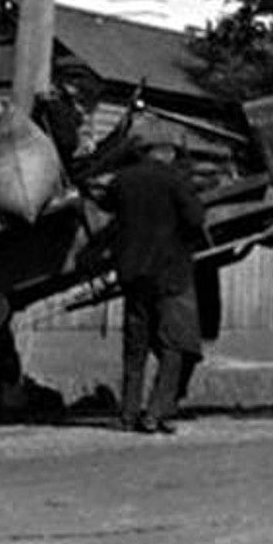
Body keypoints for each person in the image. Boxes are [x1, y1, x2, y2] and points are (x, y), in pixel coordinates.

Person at [105, 121, 206, 434]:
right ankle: (156, 413)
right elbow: (196, 219)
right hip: (169, 274)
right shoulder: (175, 180)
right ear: (167, 151)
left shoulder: (122, 181)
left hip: (133, 274)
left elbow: (109, 211)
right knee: (172, 345)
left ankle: (127, 414)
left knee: (134, 348)